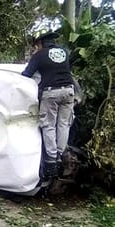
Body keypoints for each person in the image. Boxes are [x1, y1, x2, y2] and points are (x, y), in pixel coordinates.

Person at [22, 30, 75, 180]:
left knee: (49, 125)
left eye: (37, 44)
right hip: (69, 91)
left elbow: (27, 74)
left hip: (51, 93)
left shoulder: (39, 55)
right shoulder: (64, 52)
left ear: (41, 43)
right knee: (63, 124)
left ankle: (51, 162)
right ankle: (60, 154)